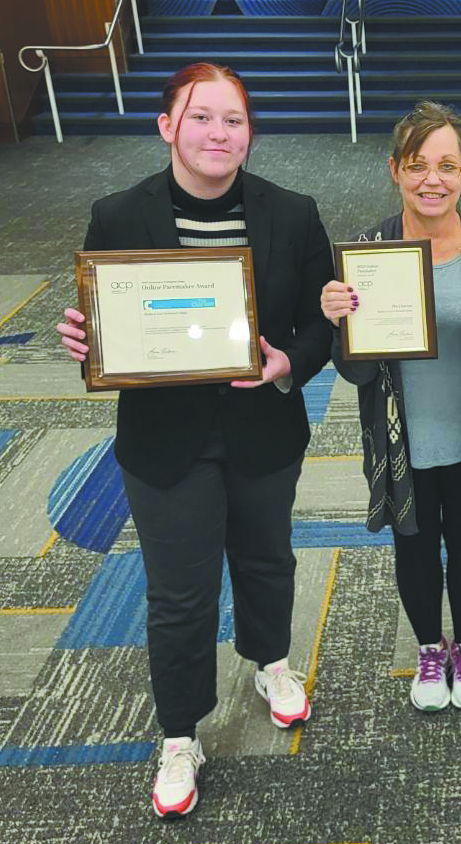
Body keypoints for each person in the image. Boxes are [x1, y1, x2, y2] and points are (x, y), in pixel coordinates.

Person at [55, 62, 333, 818]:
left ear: (250, 131)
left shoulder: (295, 211)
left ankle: (271, 661)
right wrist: (86, 340)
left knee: (267, 557)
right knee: (179, 594)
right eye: (202, 117)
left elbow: (324, 321)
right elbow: (102, 321)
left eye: (234, 119)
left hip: (264, 426)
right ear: (167, 126)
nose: (220, 133)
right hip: (163, 438)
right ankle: (180, 733)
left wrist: (288, 363)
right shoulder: (116, 214)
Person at [320, 101, 461, 713]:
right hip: (401, 439)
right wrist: (340, 324)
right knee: (413, 547)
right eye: (417, 165)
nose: (431, 180)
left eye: (446, 165)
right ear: (394, 170)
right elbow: (357, 371)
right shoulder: (368, 251)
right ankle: (427, 648)